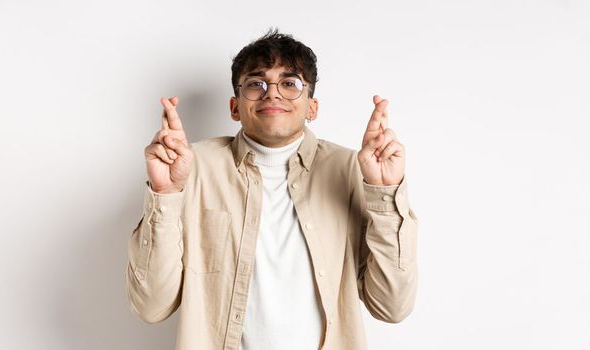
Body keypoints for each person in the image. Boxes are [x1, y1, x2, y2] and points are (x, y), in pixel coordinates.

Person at [126, 29, 419, 350]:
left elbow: (391, 307)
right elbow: (151, 307)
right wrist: (166, 194)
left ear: (312, 107)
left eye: (290, 83)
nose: (272, 94)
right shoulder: (191, 167)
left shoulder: (353, 170)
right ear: (235, 107)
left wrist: (384, 192)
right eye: (256, 83)